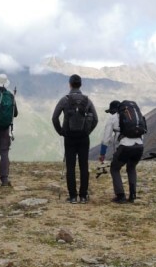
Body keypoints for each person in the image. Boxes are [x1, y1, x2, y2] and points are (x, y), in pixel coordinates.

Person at [51, 74, 98, 203]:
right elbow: (96, 119)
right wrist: (87, 131)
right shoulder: (87, 100)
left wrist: (61, 131)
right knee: (84, 166)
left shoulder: (65, 100)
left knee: (70, 167)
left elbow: (54, 117)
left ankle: (72, 197)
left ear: (70, 84)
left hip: (69, 137)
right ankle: (83, 196)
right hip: (84, 138)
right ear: (80, 84)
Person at [99, 100, 143, 202]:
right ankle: (132, 196)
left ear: (113, 110)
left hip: (125, 147)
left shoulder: (113, 118)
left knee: (115, 168)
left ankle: (120, 196)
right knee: (131, 168)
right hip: (139, 145)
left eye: (110, 111)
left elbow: (106, 138)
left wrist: (102, 153)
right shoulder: (133, 117)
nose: (110, 113)